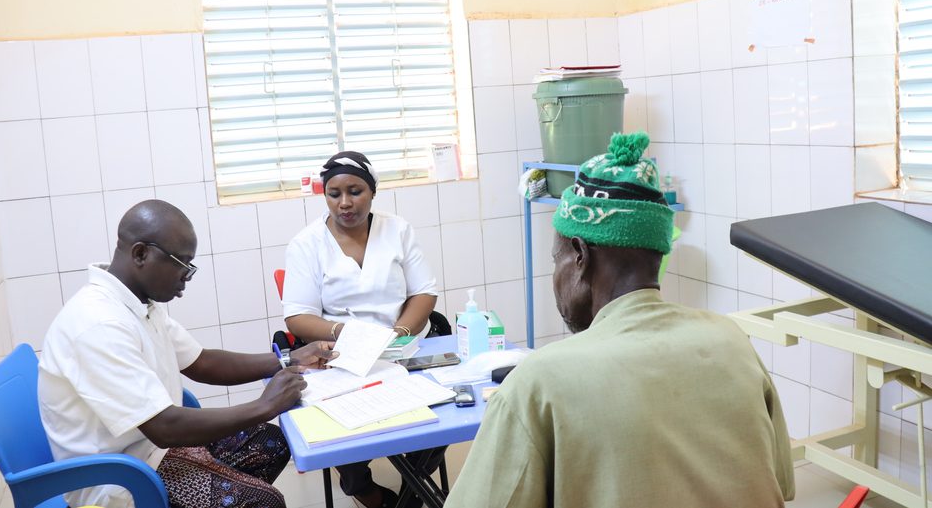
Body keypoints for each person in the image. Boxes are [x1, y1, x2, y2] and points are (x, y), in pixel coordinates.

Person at [443, 133, 795, 508]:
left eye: (555, 259)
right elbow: (782, 482)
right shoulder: (731, 340)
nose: (555, 277)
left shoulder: (541, 381)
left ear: (580, 255)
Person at [38, 199, 337, 508]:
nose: (188, 276)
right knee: (263, 502)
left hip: (151, 450)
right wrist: (265, 404)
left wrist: (287, 360)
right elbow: (164, 427)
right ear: (141, 253)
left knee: (270, 443)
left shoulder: (139, 304)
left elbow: (202, 362)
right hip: (122, 478)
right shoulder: (98, 324)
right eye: (182, 264)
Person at [282, 151, 440, 508]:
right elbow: (297, 317)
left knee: (440, 416)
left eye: (355, 191)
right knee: (336, 432)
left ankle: (411, 496)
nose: (345, 203)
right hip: (341, 355)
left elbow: (423, 292)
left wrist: (400, 332)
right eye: (334, 194)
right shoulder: (307, 244)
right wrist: (345, 332)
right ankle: (369, 495)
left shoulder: (397, 229)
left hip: (403, 347)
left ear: (372, 192)